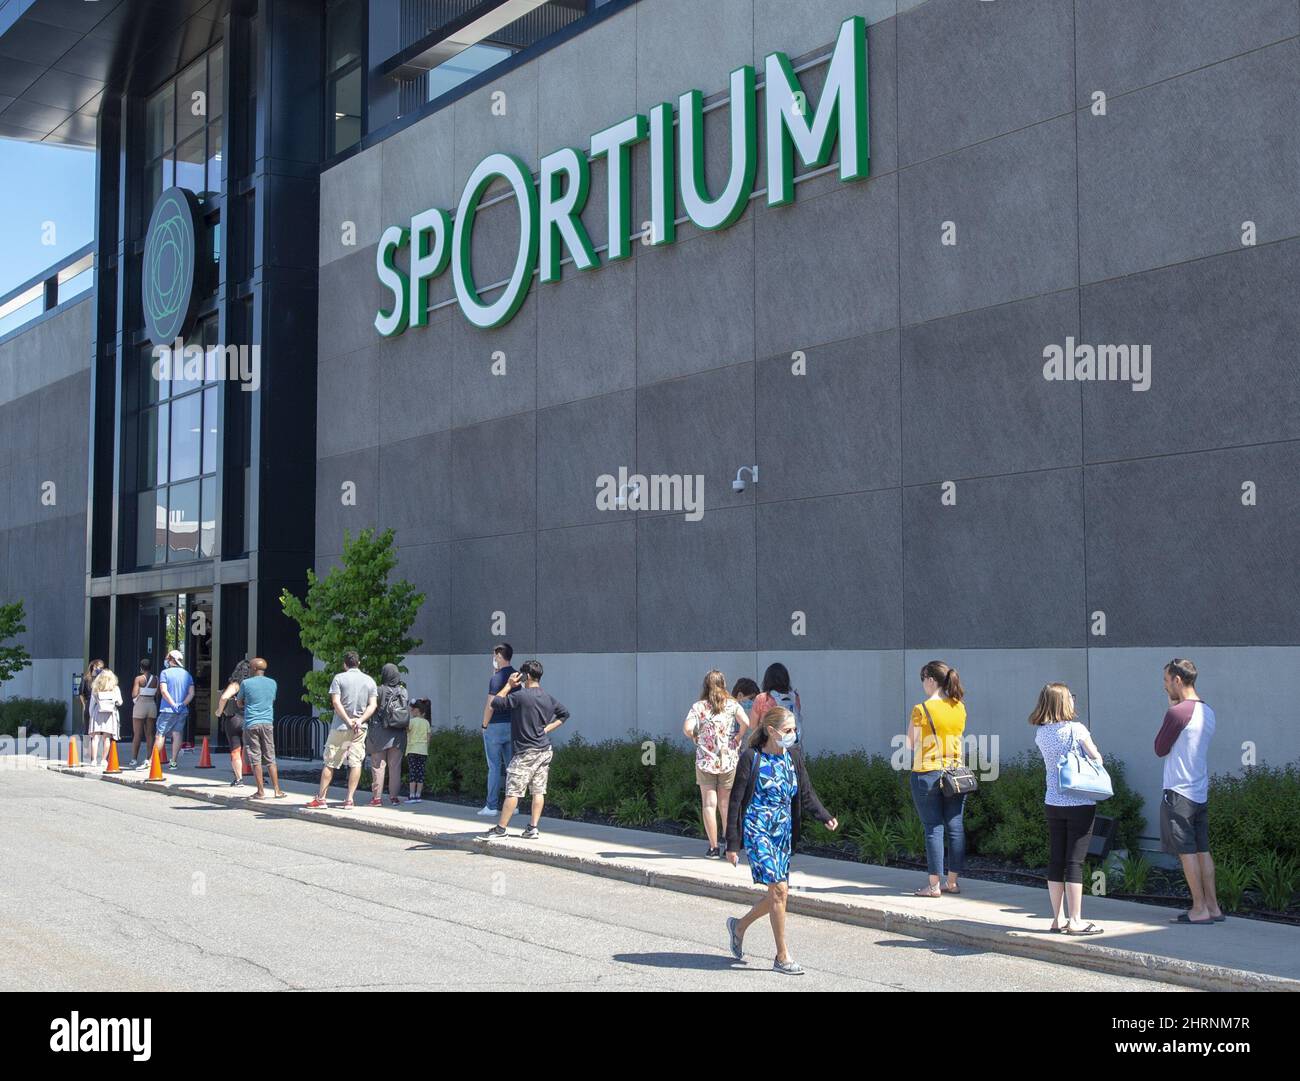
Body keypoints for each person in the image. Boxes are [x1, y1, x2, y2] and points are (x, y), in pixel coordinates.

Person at [724, 706, 837, 975]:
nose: (793, 735)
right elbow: (736, 801)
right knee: (779, 891)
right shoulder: (751, 757)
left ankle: (739, 926)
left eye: (794, 730)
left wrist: (825, 816)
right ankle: (782, 957)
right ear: (771, 731)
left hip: (782, 832)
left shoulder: (793, 756)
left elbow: (806, 794)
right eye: (788, 730)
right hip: (757, 829)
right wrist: (732, 843)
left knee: (779, 893)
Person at [1031, 682, 1105, 935]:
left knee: (1056, 859)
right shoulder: (1077, 729)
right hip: (1080, 801)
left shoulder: (1041, 733)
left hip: (1053, 800)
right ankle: (1076, 920)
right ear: (1064, 701)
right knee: (1075, 861)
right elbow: (1097, 758)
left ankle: (1057, 918)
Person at [1155, 658, 1222, 924]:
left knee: (1187, 852)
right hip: (1199, 791)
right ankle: (1213, 907)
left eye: (1166, 680)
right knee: (1202, 850)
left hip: (1178, 793)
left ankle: (1198, 909)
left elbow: (1160, 748)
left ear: (1177, 680)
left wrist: (1172, 708)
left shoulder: (1177, 713)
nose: (1164, 686)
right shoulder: (1208, 711)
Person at [482, 660, 569, 841]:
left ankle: (501, 829)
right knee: (538, 790)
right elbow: (564, 714)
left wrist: (508, 685)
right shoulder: (547, 697)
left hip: (525, 751)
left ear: (527, 676)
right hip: (544, 749)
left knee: (513, 791)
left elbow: (495, 703)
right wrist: (546, 729)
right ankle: (532, 828)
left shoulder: (520, 696)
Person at [906, 659, 967, 897]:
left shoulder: (921, 709)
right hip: (955, 773)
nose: (923, 685)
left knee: (933, 827)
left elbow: (911, 744)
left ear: (930, 680)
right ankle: (952, 883)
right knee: (955, 827)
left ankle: (933, 885)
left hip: (927, 773)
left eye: (923, 680)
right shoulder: (959, 706)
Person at [683, 669, 749, 858]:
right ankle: (730, 844)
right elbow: (745, 722)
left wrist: (694, 735)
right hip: (727, 760)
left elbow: (687, 728)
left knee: (709, 804)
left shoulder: (698, 707)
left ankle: (713, 847)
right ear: (723, 685)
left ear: (705, 686)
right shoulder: (732, 704)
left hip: (705, 760)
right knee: (725, 803)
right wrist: (738, 736)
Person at [307, 651, 377, 809]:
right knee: (356, 762)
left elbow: (336, 702)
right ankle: (349, 799)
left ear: (345, 664)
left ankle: (321, 798)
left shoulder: (339, 678)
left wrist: (347, 720)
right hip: (360, 728)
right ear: (358, 663)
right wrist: (359, 720)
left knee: (330, 761)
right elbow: (372, 705)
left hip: (340, 726)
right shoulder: (369, 681)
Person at [237, 657, 284, 800]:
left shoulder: (246, 683)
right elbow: (272, 699)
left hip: (252, 723)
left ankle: (261, 791)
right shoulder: (272, 683)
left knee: (255, 757)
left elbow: (239, 703)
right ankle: (277, 790)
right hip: (267, 722)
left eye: (250, 668)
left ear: (254, 669)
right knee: (270, 757)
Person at [479, 643, 515, 817]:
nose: (493, 658)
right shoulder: (518, 676)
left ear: (500, 656)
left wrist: (484, 725)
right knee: (511, 767)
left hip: (495, 726)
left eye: (494, 655)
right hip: (512, 725)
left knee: (494, 767)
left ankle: (491, 806)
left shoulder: (496, 679)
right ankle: (512, 805)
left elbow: (490, 705)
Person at [367, 663, 409, 806]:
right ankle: (394, 798)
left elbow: (372, 708)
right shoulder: (404, 691)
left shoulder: (379, 690)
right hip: (398, 733)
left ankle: (377, 798)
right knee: (395, 766)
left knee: (378, 765)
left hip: (380, 732)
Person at [154, 649, 194, 772]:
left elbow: (163, 691)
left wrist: (172, 704)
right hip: (182, 710)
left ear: (171, 660)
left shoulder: (165, 673)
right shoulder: (187, 674)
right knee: (177, 734)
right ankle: (174, 762)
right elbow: (191, 693)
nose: (166, 660)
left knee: (160, 734)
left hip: (167, 709)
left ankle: (152, 762)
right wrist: (182, 704)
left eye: (167, 658)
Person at [215, 658, 252, 786]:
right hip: (250, 719)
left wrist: (219, 711)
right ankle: (259, 777)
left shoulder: (236, 684)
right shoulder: (253, 684)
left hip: (234, 719)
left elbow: (224, 697)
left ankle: (239, 779)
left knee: (235, 750)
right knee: (254, 749)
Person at [750, 663, 803, 744]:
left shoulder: (762, 698)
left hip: (769, 744)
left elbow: (753, 726)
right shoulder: (795, 697)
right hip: (791, 742)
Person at [87, 667, 123, 767]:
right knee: (107, 738)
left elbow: (91, 705)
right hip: (109, 714)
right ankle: (103, 760)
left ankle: (94, 760)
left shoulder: (96, 688)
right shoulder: (115, 688)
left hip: (97, 713)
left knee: (95, 738)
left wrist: (91, 716)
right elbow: (120, 702)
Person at [127, 659, 158, 768]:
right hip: (151, 705)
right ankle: (148, 759)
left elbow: (134, 694)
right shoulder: (156, 679)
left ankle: (134, 759)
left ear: (141, 667)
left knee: (137, 734)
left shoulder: (139, 678)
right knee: (150, 734)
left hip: (141, 704)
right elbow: (157, 693)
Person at [406, 698, 432, 802]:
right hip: (423, 751)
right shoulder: (426, 723)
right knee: (420, 773)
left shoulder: (411, 722)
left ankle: (412, 795)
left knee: (413, 772)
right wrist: (426, 748)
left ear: (416, 710)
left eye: (412, 710)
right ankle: (418, 795)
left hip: (412, 750)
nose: (411, 712)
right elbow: (429, 737)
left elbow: (407, 731)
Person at [79, 659, 104, 736]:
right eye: (100, 667)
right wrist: (84, 705)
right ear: (94, 667)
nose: (101, 669)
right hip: (90, 702)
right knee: (88, 728)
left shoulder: (102, 679)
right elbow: (81, 693)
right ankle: (87, 746)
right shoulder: (86, 679)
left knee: (98, 728)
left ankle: (97, 746)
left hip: (99, 703)